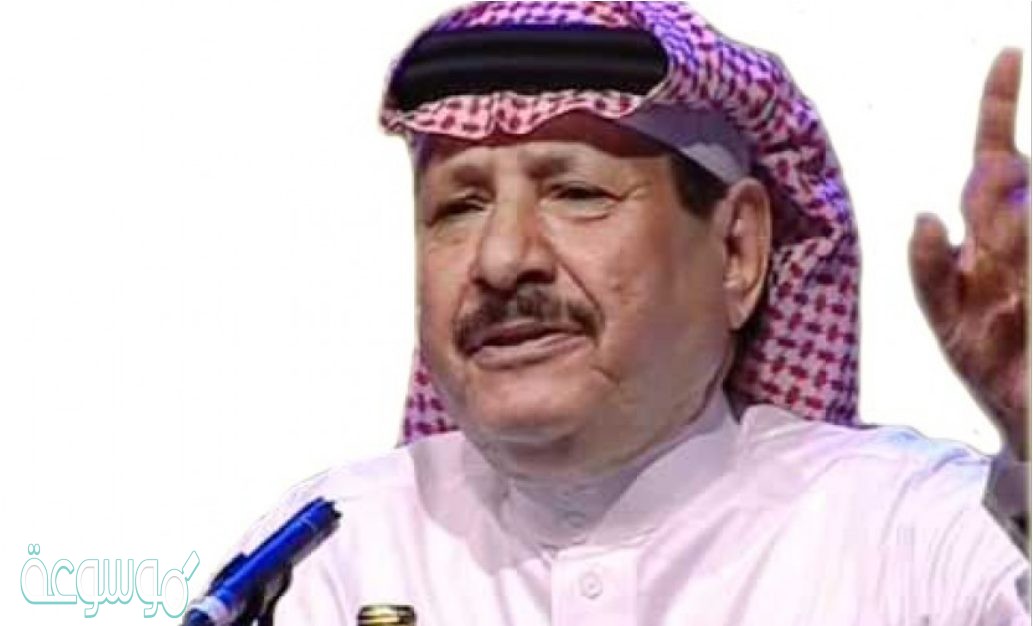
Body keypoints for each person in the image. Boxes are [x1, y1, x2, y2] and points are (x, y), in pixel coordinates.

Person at [215, 2, 1030, 623]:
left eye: (576, 193)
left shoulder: (917, 536)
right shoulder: (327, 556)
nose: (501, 260)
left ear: (737, 251)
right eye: (457, 208)